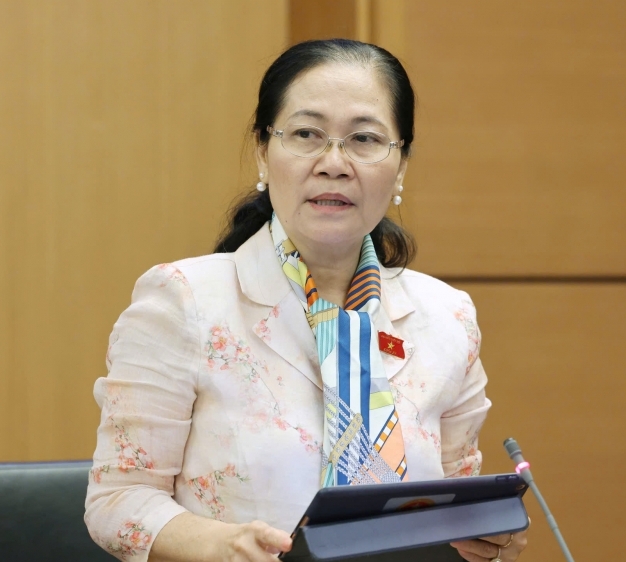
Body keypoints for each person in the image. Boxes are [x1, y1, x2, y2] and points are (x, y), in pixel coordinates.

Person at [85, 39, 529, 562]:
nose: (334, 164)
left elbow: (457, 503)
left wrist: (488, 534)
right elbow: (118, 501)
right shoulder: (184, 301)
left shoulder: (447, 318)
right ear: (263, 150)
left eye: (365, 139)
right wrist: (222, 546)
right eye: (306, 134)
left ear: (402, 164)